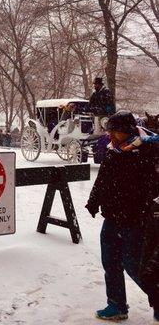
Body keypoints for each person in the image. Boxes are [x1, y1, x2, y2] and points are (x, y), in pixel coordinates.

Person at [85, 110, 159, 321]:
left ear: (127, 130)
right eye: (110, 132)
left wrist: (145, 210)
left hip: (135, 219)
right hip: (112, 217)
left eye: (115, 132)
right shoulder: (112, 149)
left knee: (135, 265)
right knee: (111, 262)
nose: (111, 136)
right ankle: (116, 305)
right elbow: (103, 179)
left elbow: (152, 187)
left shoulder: (146, 151)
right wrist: (93, 201)